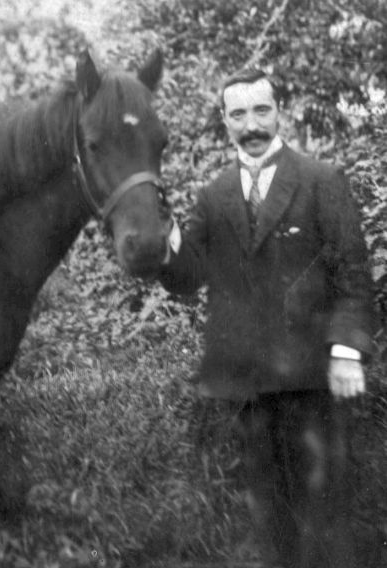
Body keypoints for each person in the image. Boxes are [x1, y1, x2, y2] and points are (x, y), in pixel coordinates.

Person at [157, 68, 375, 567]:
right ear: (224, 121)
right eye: (238, 114)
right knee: (268, 517)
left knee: (324, 513)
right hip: (250, 385)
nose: (251, 124)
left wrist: (346, 351)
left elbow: (353, 271)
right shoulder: (212, 195)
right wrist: (164, 233)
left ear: (280, 112)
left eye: (261, 110)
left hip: (314, 379)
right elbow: (187, 276)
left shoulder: (322, 180)